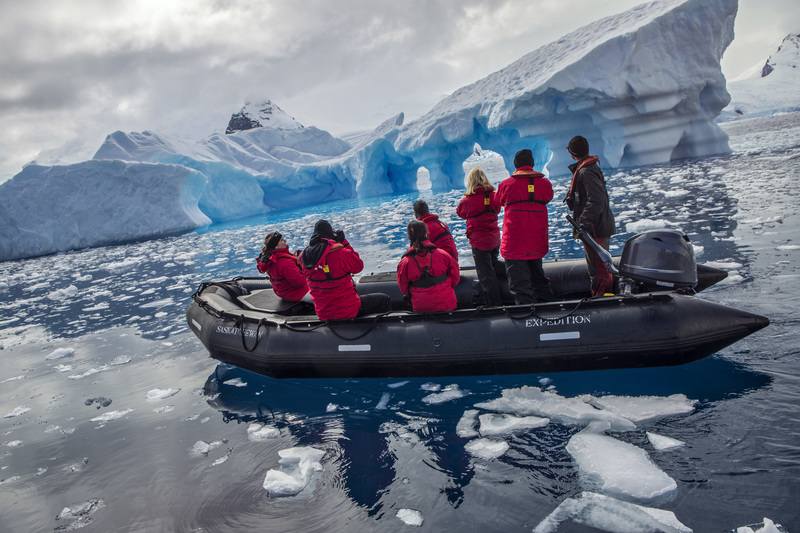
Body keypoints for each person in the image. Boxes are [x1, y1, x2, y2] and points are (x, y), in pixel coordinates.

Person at [300, 220, 390, 320]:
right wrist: (343, 241)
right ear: (330, 234)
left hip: (323, 313)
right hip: (346, 310)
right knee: (383, 299)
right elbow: (358, 266)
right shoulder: (340, 254)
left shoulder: (304, 258)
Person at [496, 149, 554, 304]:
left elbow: (497, 202)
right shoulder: (545, 184)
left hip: (515, 243)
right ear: (532, 164)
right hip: (536, 240)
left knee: (520, 286)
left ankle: (527, 319)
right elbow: (548, 197)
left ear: (515, 165)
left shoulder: (506, 185)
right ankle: (549, 312)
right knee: (539, 279)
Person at [563, 135, 616, 297]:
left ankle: (603, 297)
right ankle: (602, 295)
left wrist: (584, 221)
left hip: (595, 228)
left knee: (599, 268)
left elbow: (596, 199)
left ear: (572, 153)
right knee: (597, 267)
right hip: (596, 226)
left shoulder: (586, 172)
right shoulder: (589, 168)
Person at [456, 167, 503, 306]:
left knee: (485, 275)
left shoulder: (467, 201)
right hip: (494, 239)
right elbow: (499, 208)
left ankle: (495, 305)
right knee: (494, 263)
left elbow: (460, 213)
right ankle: (514, 273)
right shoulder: (494, 196)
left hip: (479, 243)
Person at [396, 221, 460, 313]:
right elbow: (455, 277)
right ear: (426, 233)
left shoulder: (405, 262)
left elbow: (404, 288)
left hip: (421, 308)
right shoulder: (443, 255)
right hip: (447, 304)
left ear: (409, 236)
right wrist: (444, 288)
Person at [256, 231, 309, 301]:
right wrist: (309, 270)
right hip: (296, 293)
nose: (285, 241)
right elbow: (300, 282)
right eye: (281, 240)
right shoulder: (284, 262)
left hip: (283, 292)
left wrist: (296, 260)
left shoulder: (271, 258)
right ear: (276, 245)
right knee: (323, 295)